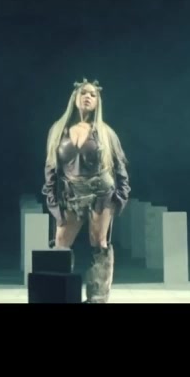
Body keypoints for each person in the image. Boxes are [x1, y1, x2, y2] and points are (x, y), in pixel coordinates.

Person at [41, 77, 131, 303]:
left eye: (93, 94)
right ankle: (58, 296)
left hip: (100, 193)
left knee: (99, 244)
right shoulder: (58, 130)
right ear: (75, 98)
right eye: (84, 93)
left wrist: (121, 196)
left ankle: (97, 299)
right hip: (70, 193)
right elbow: (51, 169)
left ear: (98, 101)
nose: (88, 97)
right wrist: (52, 200)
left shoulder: (106, 133)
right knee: (60, 245)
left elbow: (120, 166)